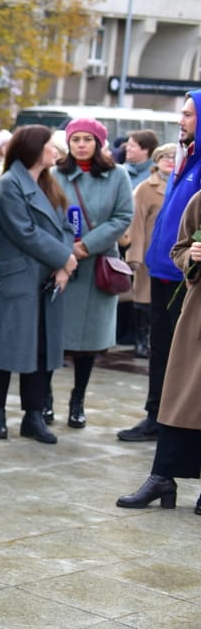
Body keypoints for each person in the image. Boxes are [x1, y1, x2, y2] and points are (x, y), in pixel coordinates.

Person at [0, 125, 77, 444]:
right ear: (34, 148)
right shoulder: (9, 184)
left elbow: (65, 227)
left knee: (42, 348)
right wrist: (64, 258)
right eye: (50, 145)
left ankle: (33, 415)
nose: (56, 150)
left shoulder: (51, 183)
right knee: (7, 347)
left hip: (47, 277)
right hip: (19, 277)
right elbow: (24, 233)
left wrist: (64, 265)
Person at [119, 93, 200, 442]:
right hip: (163, 270)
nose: (180, 121)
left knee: (179, 357)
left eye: (187, 114)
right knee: (160, 350)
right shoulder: (185, 158)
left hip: (187, 276)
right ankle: (155, 415)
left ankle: (173, 424)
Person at [119, 188, 201, 511]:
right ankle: (162, 476)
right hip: (197, 314)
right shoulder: (200, 200)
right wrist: (191, 258)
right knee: (179, 396)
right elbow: (178, 248)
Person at [53, 117, 133, 427]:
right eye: (76, 139)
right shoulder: (54, 174)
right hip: (60, 263)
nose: (81, 145)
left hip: (96, 265)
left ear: (99, 143)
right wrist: (63, 249)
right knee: (54, 336)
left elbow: (123, 215)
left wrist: (86, 245)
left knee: (87, 343)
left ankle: (78, 400)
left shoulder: (117, 175)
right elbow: (46, 214)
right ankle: (44, 399)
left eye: (88, 139)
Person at [126, 143, 178, 359]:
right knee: (143, 299)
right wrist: (134, 256)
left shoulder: (183, 184)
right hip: (148, 251)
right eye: (165, 156)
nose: (169, 160)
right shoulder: (145, 188)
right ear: (156, 160)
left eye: (174, 156)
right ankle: (141, 340)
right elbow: (135, 223)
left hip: (173, 254)